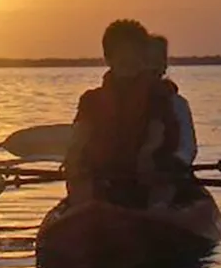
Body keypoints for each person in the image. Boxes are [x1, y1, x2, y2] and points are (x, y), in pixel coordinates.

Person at [63, 19, 203, 209]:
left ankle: (157, 210)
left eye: (134, 59)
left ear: (143, 59)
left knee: (162, 177)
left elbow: (157, 131)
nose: (129, 66)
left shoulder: (159, 96)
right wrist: (73, 159)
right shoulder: (91, 100)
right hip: (106, 174)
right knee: (81, 171)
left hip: (149, 174)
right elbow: (81, 134)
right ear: (108, 58)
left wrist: (148, 156)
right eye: (122, 59)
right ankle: (83, 210)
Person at [148, 34, 197, 165]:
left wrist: (175, 162)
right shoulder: (122, 101)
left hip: (171, 171)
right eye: (148, 60)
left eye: (158, 60)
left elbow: (188, 148)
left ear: (164, 65)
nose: (153, 66)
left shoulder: (178, 103)